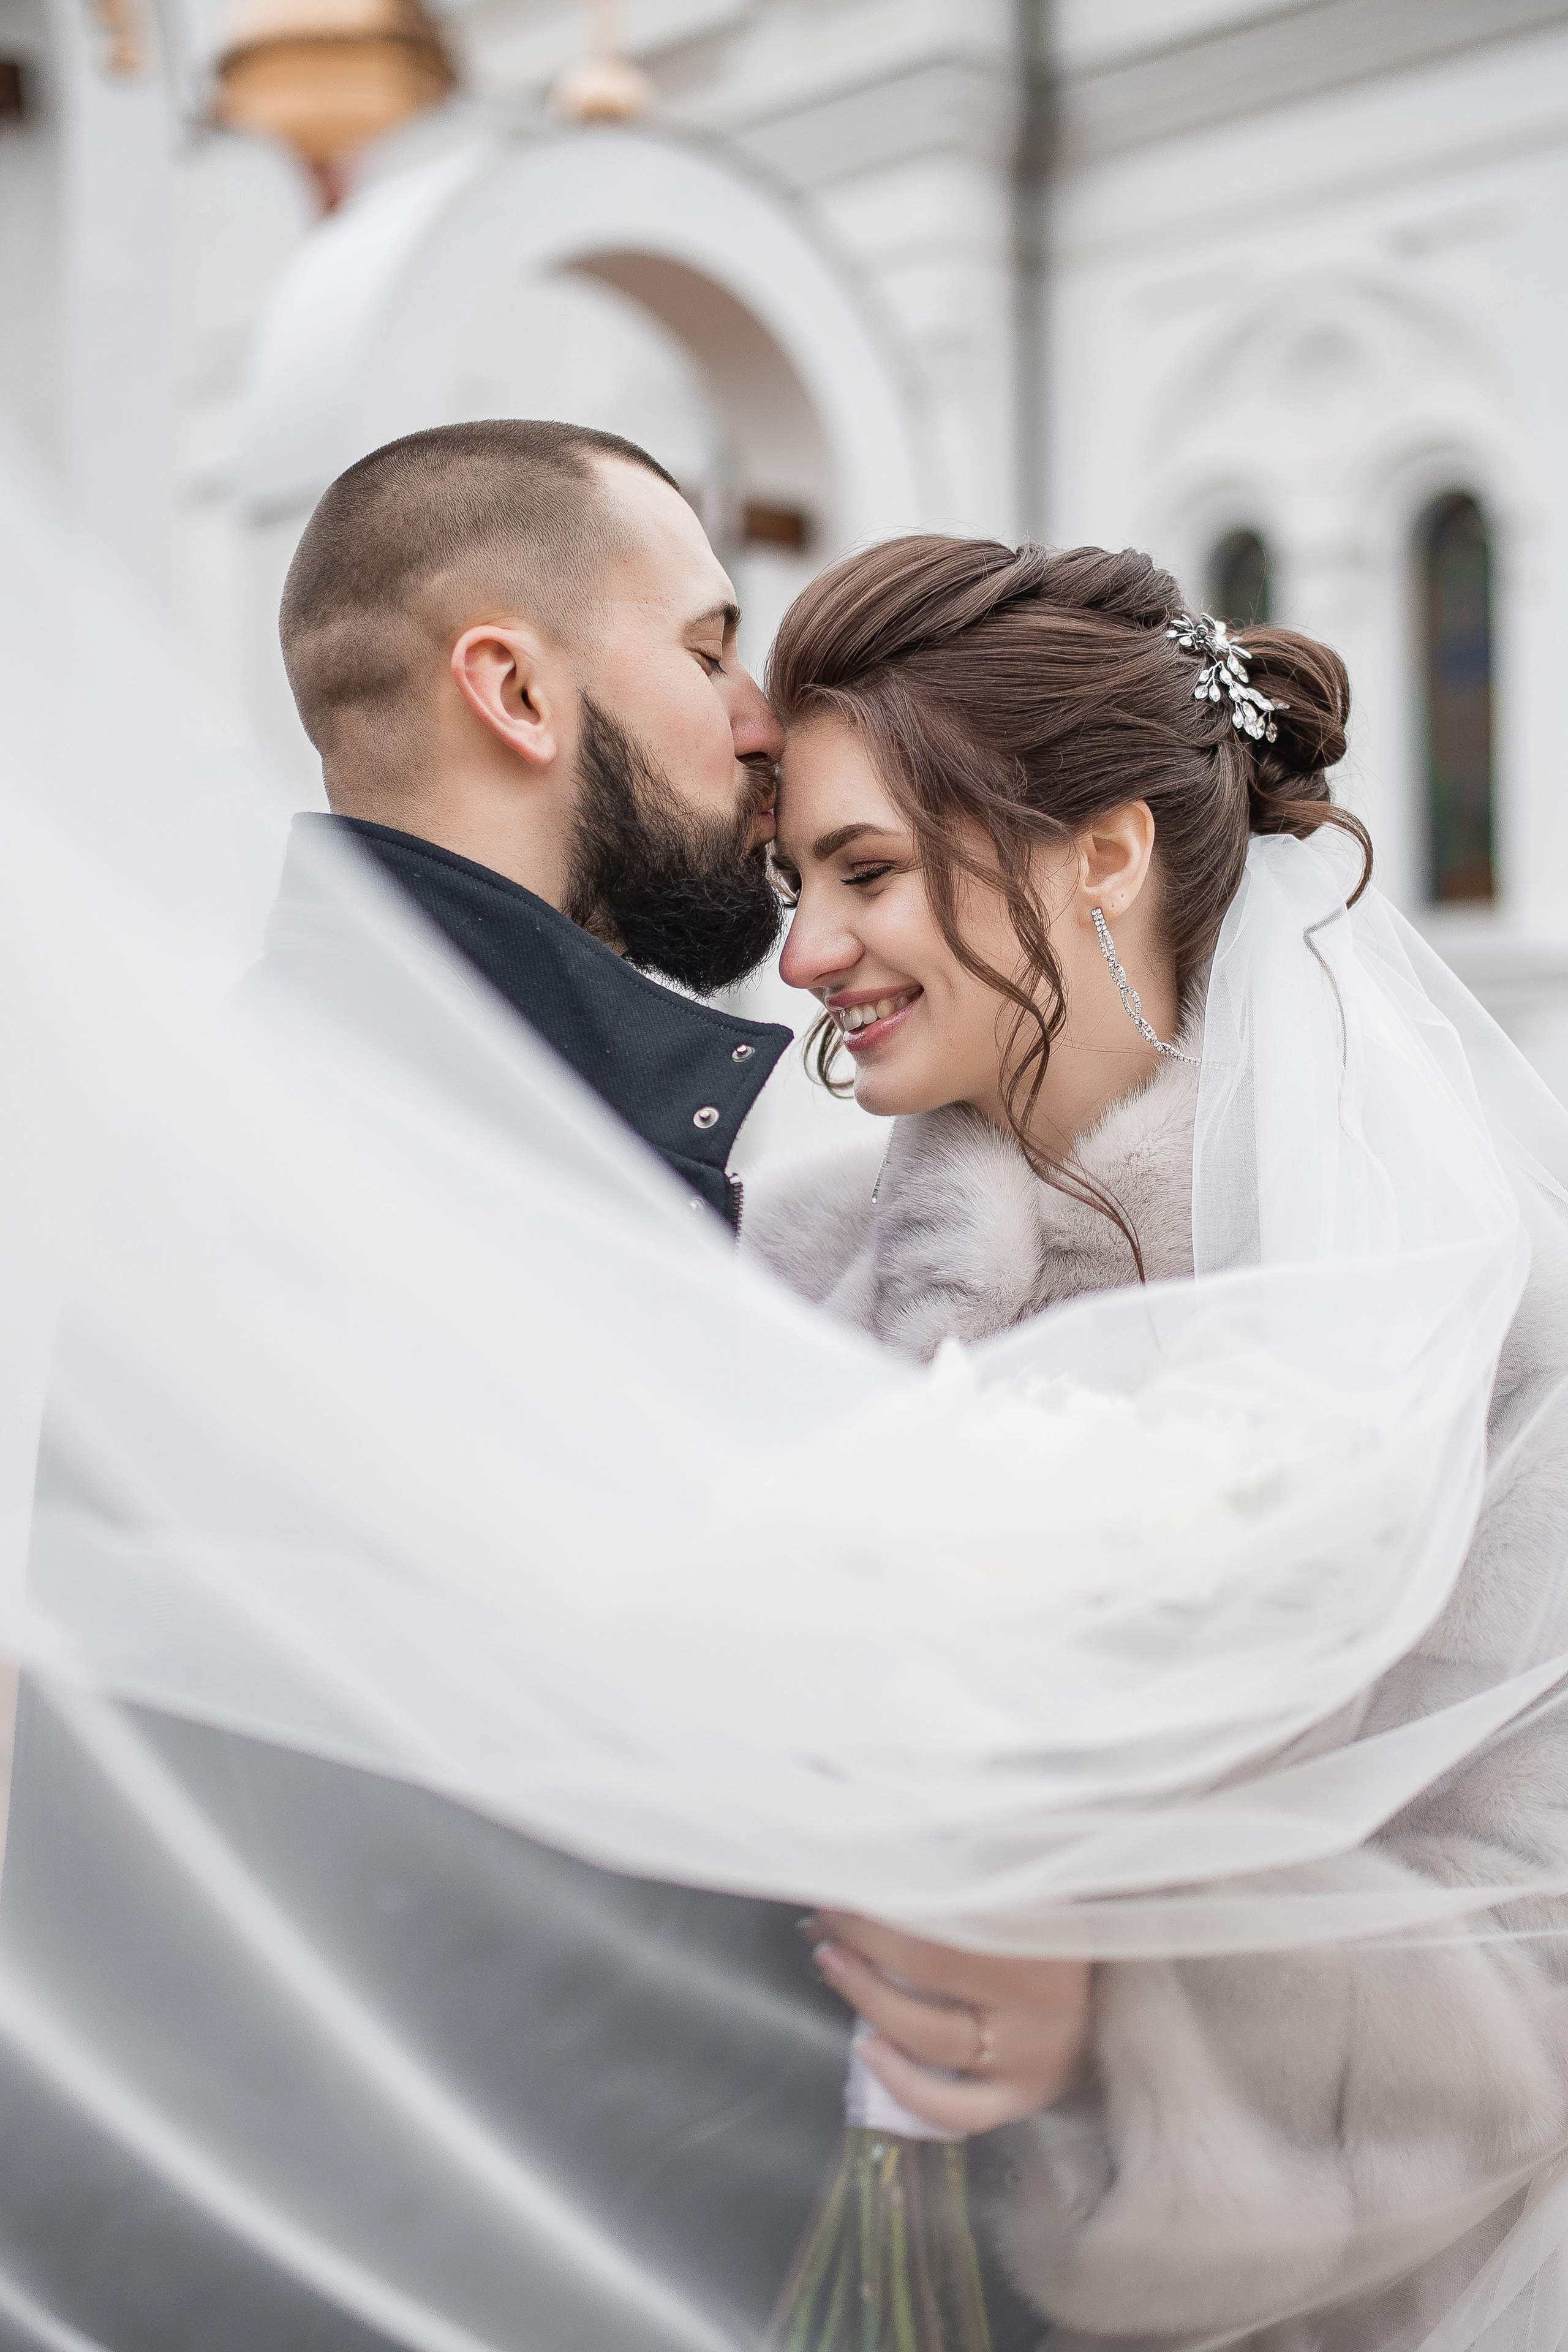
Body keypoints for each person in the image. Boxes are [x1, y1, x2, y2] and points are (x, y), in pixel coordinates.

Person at [0, 426, 1081, 2350]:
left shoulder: (386, 1114)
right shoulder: (392, 1172)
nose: (760, 723)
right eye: (709, 647)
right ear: (512, 689)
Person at [744, 532, 1568, 2344]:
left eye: (865, 870)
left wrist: (1120, 2009)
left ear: (1105, 854)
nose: (804, 954)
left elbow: (1542, 1928)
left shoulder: (1469, 1311)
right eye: (793, 880)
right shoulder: (782, 1269)